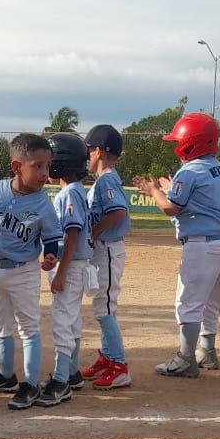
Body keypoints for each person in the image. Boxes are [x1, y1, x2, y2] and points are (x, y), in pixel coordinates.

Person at [134, 112, 220, 378]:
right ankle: (208, 352)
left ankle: (186, 358)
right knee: (211, 303)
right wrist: (172, 187)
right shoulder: (216, 168)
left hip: (202, 246)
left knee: (188, 302)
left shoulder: (189, 171)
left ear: (191, 143)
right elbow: (195, 198)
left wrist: (154, 191)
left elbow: (171, 208)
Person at [0, 134, 63, 410]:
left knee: (28, 327)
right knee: (0, 324)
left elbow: (51, 236)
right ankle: (6, 376)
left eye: (47, 166)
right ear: (17, 166)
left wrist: (51, 253)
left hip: (24, 271)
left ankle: (30, 384)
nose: (45, 173)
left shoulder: (43, 204)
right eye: (38, 166)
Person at [37, 132, 95, 407]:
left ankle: (61, 381)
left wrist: (61, 272)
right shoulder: (74, 191)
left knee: (63, 321)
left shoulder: (69, 193)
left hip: (71, 268)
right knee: (72, 320)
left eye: (49, 162)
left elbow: (72, 233)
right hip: (76, 265)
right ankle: (71, 374)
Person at [80, 125, 132, 390]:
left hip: (108, 249)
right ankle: (108, 357)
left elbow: (118, 212)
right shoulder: (104, 179)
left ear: (99, 151)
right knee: (101, 306)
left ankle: (119, 366)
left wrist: (95, 233)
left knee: (105, 307)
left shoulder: (107, 179)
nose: (87, 156)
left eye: (89, 151)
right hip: (104, 250)